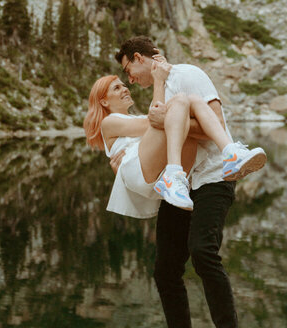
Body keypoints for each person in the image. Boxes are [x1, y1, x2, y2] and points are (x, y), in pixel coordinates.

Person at [113, 36, 263, 328]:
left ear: (139, 58)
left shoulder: (188, 74)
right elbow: (154, 128)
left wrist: (171, 122)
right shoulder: (161, 88)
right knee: (165, 271)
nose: (130, 80)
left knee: (203, 253)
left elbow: (215, 128)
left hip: (212, 179)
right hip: (181, 183)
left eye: (129, 71)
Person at [83, 62, 265, 215]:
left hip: (151, 170)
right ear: (104, 102)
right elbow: (156, 121)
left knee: (192, 100)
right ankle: (174, 174)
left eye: (123, 85)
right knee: (180, 101)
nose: (125, 89)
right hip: (138, 171)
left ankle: (230, 152)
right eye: (117, 88)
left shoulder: (131, 118)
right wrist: (159, 81)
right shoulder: (109, 122)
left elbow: (164, 123)